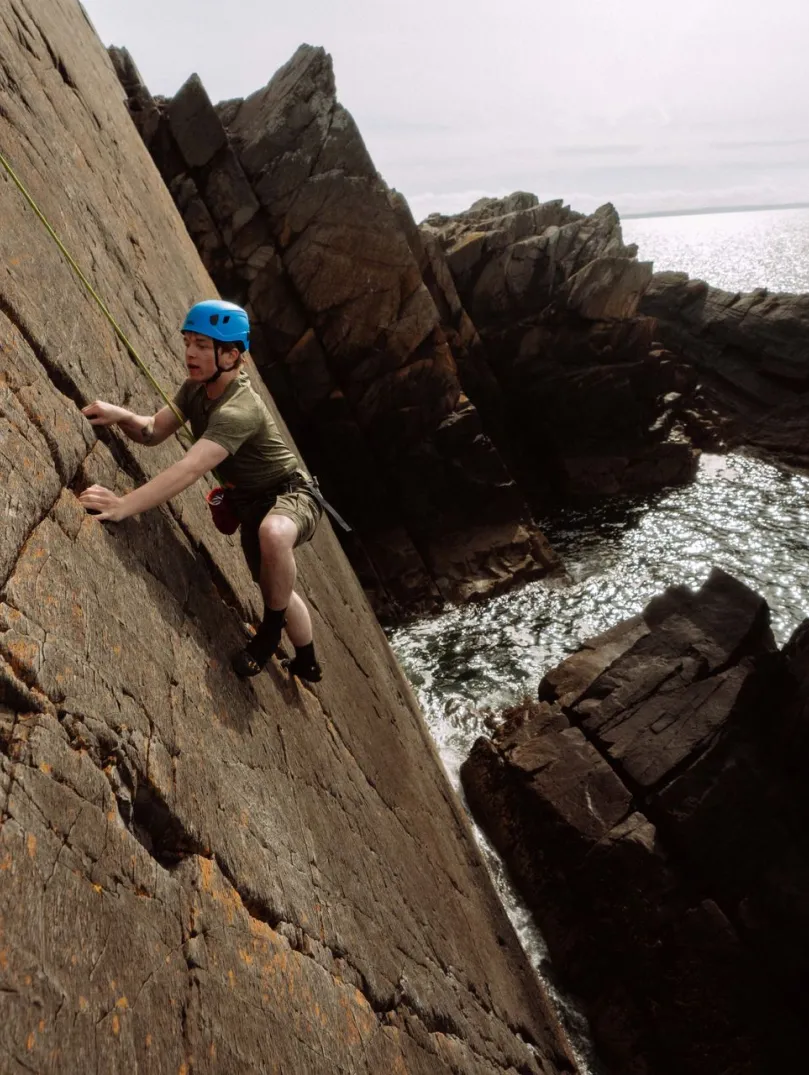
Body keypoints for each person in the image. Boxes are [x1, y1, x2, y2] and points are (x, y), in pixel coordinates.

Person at [78, 299, 323, 681]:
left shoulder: (239, 410)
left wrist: (124, 504)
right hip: (251, 503)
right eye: (188, 341)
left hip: (291, 495)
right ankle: (307, 661)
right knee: (275, 584)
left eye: (202, 345)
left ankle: (269, 633)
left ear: (230, 354)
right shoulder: (195, 389)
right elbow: (152, 431)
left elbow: (190, 468)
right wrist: (123, 415)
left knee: (274, 535)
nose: (190, 352)